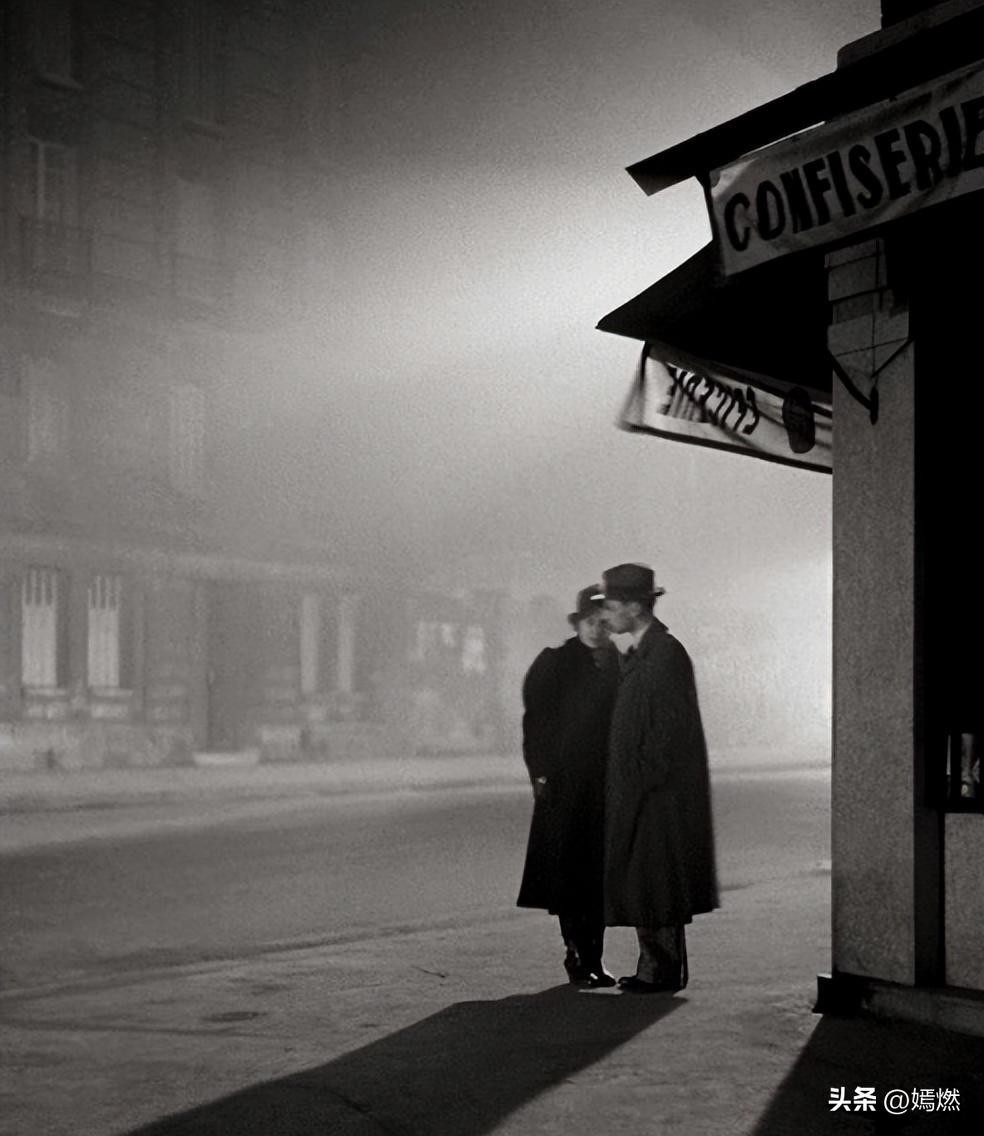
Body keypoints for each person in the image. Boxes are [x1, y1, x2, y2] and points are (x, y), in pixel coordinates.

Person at [596, 562, 718, 993]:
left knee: (656, 882)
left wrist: (641, 780)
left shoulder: (664, 653)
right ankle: (654, 966)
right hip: (644, 790)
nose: (606, 615)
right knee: (645, 880)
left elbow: (667, 729)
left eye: (611, 606)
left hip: (657, 794)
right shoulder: (643, 653)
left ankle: (660, 970)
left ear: (634, 607)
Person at [517, 586, 620, 987]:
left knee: (599, 874)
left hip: (605, 785)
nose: (596, 629)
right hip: (564, 785)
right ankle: (576, 953)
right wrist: (540, 773)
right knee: (569, 872)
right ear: (578, 623)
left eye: (604, 623)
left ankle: (594, 956)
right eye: (590, 622)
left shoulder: (618, 666)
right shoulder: (554, 663)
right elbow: (535, 724)